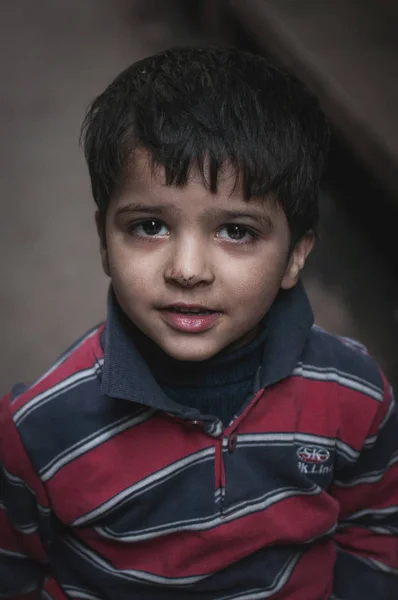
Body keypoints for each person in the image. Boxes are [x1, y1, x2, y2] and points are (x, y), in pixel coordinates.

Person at [0, 46, 397, 600]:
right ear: (102, 241)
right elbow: (15, 571)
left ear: (296, 257)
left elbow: (377, 528)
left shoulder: (354, 393)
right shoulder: (40, 428)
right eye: (149, 225)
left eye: (236, 231)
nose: (187, 270)